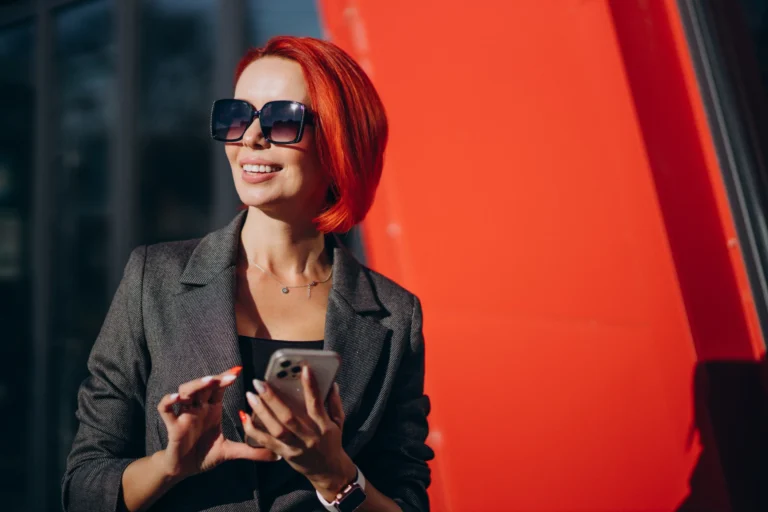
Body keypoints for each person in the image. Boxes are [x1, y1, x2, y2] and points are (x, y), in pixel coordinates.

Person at [61, 36, 433, 512]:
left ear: (341, 141)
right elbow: (83, 487)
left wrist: (334, 475)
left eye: (281, 120)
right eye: (237, 117)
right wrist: (169, 465)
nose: (250, 138)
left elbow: (409, 500)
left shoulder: (395, 316)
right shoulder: (152, 280)